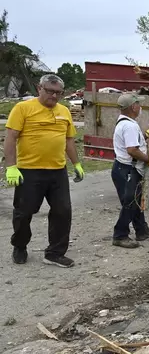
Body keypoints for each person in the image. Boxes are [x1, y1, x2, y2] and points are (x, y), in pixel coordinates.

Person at [4, 74, 84, 267]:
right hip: (29, 171)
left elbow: (69, 140)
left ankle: (55, 253)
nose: (54, 96)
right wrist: (11, 167)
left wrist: (77, 164)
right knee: (24, 213)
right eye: (50, 91)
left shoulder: (64, 111)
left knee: (62, 212)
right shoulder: (22, 108)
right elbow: (11, 137)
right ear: (39, 88)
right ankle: (20, 245)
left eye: (58, 93)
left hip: (57, 171)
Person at [111, 93, 149, 248]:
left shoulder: (126, 123)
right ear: (133, 107)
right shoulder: (129, 125)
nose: (140, 107)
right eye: (138, 104)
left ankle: (142, 230)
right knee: (130, 203)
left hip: (124, 169)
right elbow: (132, 150)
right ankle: (120, 235)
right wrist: (148, 159)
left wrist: (145, 135)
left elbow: (133, 142)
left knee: (136, 201)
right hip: (128, 170)